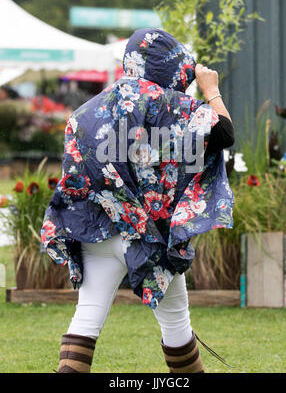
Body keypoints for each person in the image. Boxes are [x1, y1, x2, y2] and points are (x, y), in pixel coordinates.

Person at [41, 28, 234, 373]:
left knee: (85, 319)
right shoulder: (177, 107)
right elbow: (224, 134)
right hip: (152, 237)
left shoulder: (85, 112)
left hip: (98, 231)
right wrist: (212, 90)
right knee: (176, 324)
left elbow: (76, 176)